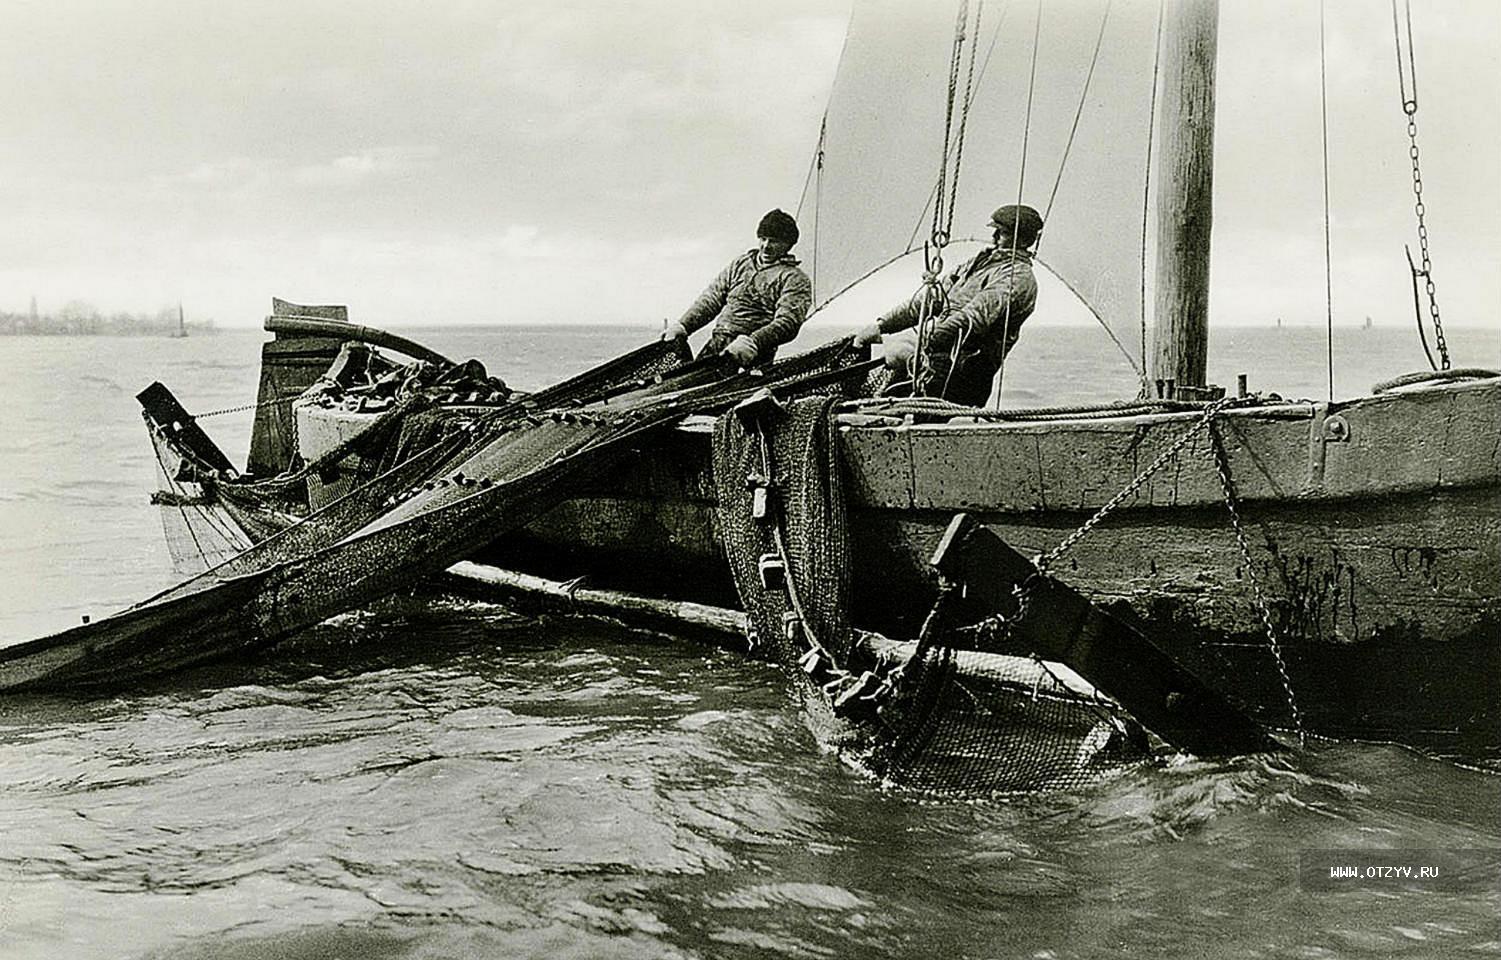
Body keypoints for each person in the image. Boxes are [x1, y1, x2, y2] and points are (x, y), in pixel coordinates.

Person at [855, 204, 1042, 407]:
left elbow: (972, 319)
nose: (994, 237)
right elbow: (931, 299)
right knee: (885, 408)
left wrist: (918, 343)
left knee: (924, 417)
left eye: (1003, 233)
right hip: (931, 361)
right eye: (995, 230)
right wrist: (882, 325)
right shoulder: (978, 262)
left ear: (1024, 240)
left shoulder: (1017, 278)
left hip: (964, 373)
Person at [662, 209, 812, 368]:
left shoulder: (795, 279)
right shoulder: (740, 264)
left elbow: (788, 322)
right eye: (763, 239)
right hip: (718, 342)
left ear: (788, 245)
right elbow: (712, 299)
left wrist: (754, 342)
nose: (766, 246)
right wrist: (683, 325)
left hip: (751, 353)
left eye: (774, 241)